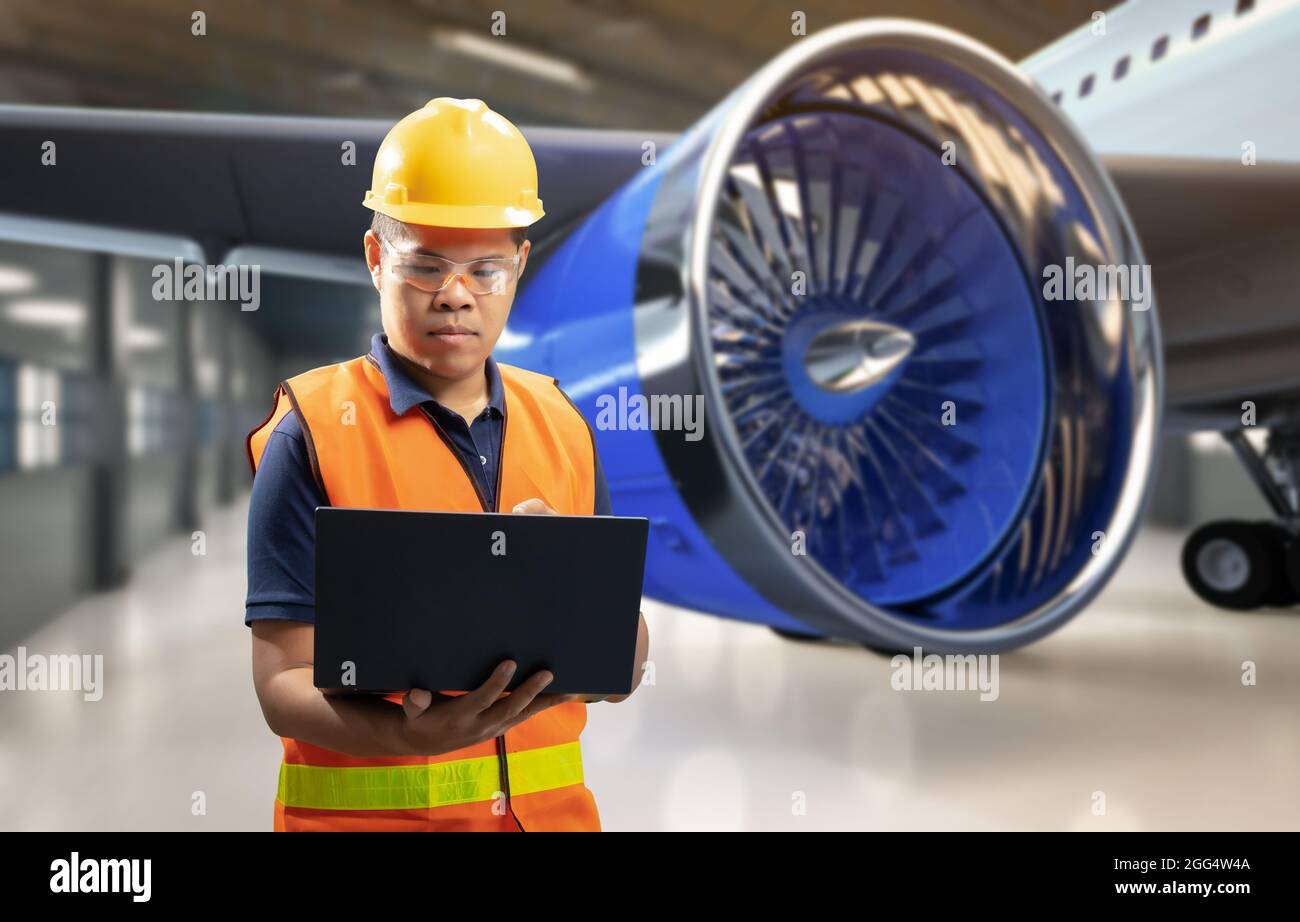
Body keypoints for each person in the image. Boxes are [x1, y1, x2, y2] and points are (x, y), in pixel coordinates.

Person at [244, 97, 649, 831]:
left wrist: (601, 629)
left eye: (485, 269)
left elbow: (620, 653)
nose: (456, 295)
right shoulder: (309, 432)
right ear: (376, 258)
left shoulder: (563, 423)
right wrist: (404, 736)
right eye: (425, 265)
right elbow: (282, 684)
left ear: (519, 265)